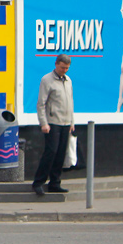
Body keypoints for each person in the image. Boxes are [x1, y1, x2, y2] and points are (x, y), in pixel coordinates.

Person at [32, 53, 75, 197]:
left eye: (67, 68)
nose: (64, 70)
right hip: (52, 123)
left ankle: (55, 183)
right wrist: (43, 123)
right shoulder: (47, 80)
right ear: (56, 64)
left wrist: (72, 122)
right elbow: (41, 104)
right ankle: (38, 182)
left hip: (65, 123)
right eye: (62, 67)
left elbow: (70, 102)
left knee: (61, 154)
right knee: (51, 152)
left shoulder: (68, 80)